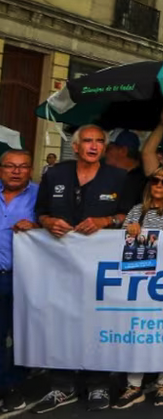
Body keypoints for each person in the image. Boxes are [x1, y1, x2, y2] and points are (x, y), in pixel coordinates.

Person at [33, 125, 129, 413]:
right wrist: (48, 222)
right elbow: (40, 212)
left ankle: (98, 383)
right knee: (59, 323)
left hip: (99, 268)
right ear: (75, 147)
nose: (93, 146)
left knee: (97, 322)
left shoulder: (118, 177)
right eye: (87, 141)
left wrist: (105, 221)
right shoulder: (55, 174)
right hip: (58, 265)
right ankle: (62, 385)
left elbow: (128, 214)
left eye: (99, 141)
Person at [113, 139, 163, 410]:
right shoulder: (137, 210)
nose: (159, 185)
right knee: (138, 333)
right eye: (155, 180)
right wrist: (130, 229)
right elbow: (119, 242)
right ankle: (134, 385)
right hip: (140, 282)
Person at [0, 151, 35, 413]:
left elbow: (54, 224)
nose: (16, 171)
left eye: (22, 167)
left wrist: (37, 225)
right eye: (10, 166)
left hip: (26, 277)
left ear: (30, 170)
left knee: (21, 334)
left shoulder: (40, 195)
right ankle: (7, 387)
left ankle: (13, 385)